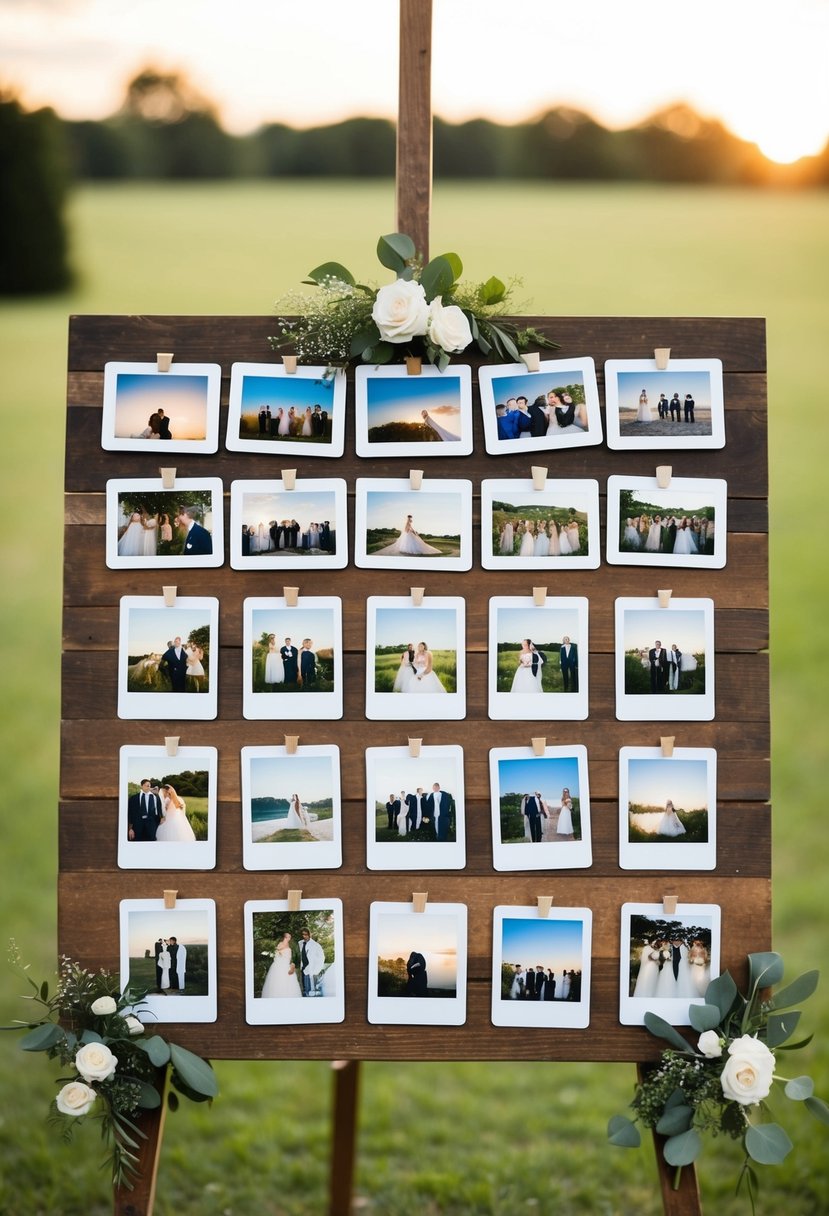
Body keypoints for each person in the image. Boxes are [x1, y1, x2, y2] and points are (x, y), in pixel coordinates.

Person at [375, 515, 442, 557]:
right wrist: (409, 531)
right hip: (408, 532)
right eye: (410, 518)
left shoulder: (409, 522)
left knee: (413, 540)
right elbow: (406, 528)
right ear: (409, 518)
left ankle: (408, 549)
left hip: (409, 531)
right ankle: (408, 550)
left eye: (410, 518)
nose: (410, 519)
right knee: (410, 541)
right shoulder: (407, 522)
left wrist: (414, 531)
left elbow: (411, 527)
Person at [261, 932, 302, 998]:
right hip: (280, 964)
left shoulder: (289, 945)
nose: (289, 938)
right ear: (285, 937)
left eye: (290, 937)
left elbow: (291, 956)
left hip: (287, 964)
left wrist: (292, 964)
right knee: (279, 979)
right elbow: (277, 953)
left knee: (289, 981)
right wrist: (280, 950)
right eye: (288, 937)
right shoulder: (280, 944)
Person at [298, 928, 325, 996]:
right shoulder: (300, 943)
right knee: (304, 986)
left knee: (310, 986)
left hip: (310, 967)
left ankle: (310, 997)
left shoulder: (315, 945)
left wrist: (316, 967)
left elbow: (321, 957)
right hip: (303, 966)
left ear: (309, 935)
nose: (304, 936)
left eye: (306, 934)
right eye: (303, 934)